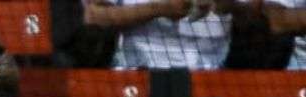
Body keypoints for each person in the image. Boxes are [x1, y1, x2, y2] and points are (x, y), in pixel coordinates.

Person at [84, 0, 234, 71]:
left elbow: (252, 12)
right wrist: (160, 9)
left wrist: (225, 5)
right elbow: (94, 15)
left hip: (211, 78)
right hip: (139, 74)